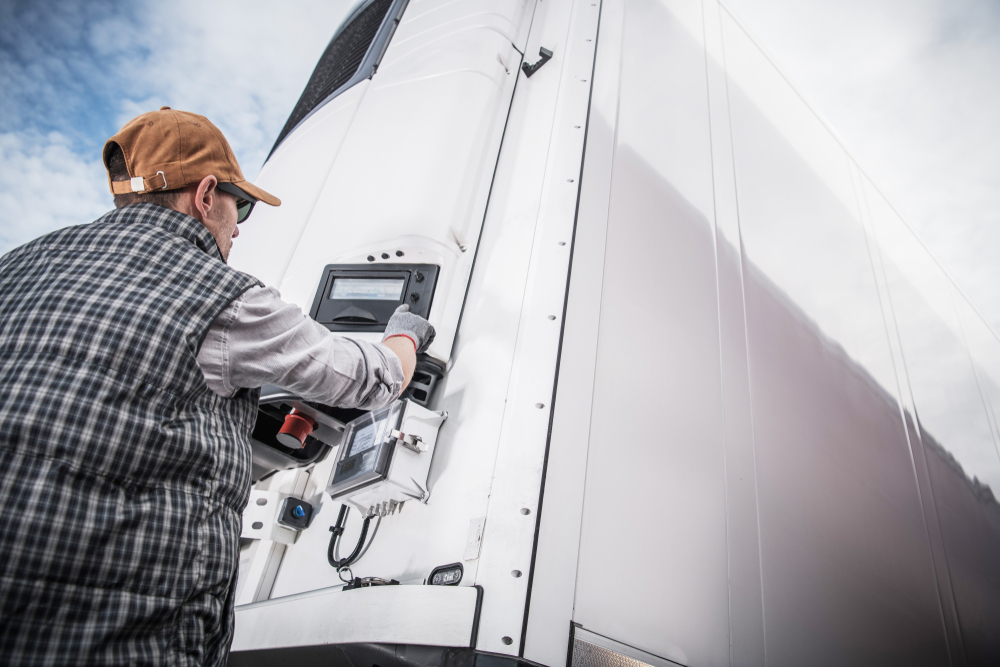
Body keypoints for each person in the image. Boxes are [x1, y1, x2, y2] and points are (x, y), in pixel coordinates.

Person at [0, 107, 434, 666]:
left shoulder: (19, 265)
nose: (237, 229)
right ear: (206, 196)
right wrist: (405, 336)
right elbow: (367, 378)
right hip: (113, 636)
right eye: (241, 208)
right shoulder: (218, 294)